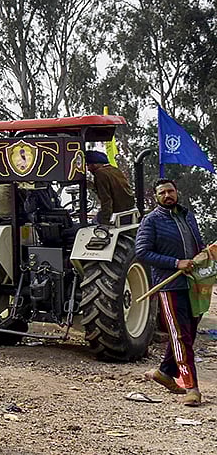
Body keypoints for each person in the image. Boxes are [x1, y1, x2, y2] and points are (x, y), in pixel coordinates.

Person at [135, 178, 204, 407]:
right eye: (162, 193)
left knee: (188, 334)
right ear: (156, 197)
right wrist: (176, 263)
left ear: (177, 192)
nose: (167, 195)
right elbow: (142, 253)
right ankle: (191, 387)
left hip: (194, 285)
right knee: (180, 336)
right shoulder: (151, 221)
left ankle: (164, 372)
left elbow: (198, 246)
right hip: (169, 284)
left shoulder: (188, 216)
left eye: (170, 191)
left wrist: (203, 255)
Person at [85, 150, 135, 224]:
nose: (88, 169)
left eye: (88, 165)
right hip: (129, 212)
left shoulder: (100, 173)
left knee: (93, 223)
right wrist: (93, 187)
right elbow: (113, 190)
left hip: (117, 214)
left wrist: (105, 221)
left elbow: (106, 199)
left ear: (95, 164)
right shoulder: (114, 169)